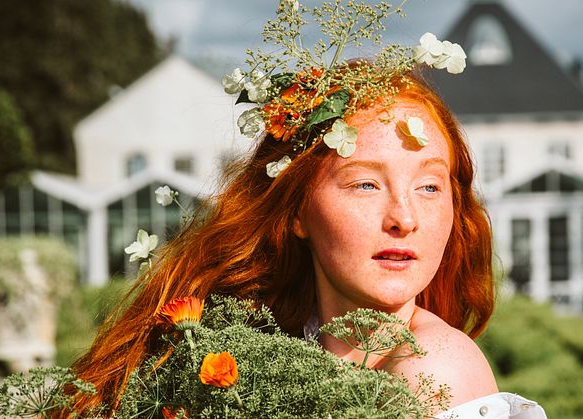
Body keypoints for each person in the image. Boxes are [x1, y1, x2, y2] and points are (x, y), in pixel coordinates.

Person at [70, 2, 547, 418]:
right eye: (365, 184)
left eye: (428, 186)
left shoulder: (434, 367)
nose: (404, 217)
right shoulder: (272, 341)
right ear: (296, 211)